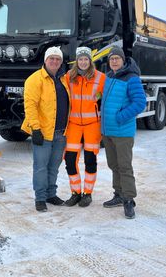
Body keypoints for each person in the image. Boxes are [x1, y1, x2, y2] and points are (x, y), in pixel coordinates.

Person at [21, 46, 70, 212]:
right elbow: (30, 105)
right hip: (43, 132)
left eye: (58, 59)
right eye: (52, 58)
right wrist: (35, 129)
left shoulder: (63, 80)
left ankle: (51, 194)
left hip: (61, 133)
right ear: (45, 60)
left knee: (54, 166)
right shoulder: (34, 80)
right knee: (41, 167)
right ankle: (40, 198)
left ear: (61, 62)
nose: (55, 61)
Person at [101, 46, 146, 219]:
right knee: (114, 165)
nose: (114, 61)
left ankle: (129, 200)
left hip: (123, 131)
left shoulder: (131, 78)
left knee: (125, 166)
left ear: (123, 60)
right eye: (111, 59)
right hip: (108, 131)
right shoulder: (109, 77)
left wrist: (120, 117)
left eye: (117, 58)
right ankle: (118, 194)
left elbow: (140, 103)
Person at [64, 46, 106, 207]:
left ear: (90, 61)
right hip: (73, 124)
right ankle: (75, 192)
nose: (83, 62)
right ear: (77, 61)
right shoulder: (68, 77)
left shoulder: (100, 78)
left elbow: (107, 97)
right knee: (70, 160)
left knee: (90, 160)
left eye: (86, 59)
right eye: (80, 59)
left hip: (92, 125)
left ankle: (87, 194)